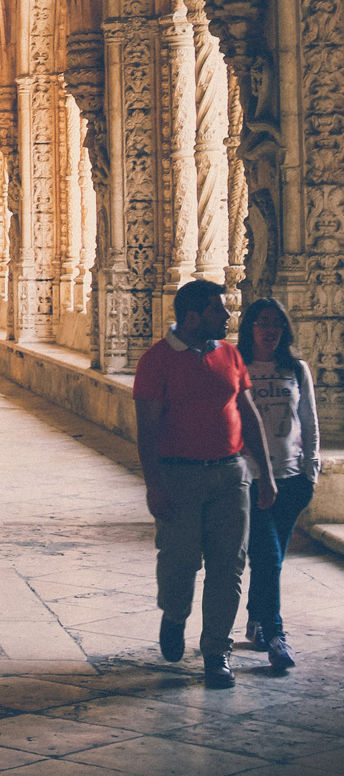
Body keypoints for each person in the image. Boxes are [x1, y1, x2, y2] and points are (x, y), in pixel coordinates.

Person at [133, 279, 277, 689]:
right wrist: (153, 485)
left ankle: (217, 650)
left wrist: (264, 473)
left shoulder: (230, 354)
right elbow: (147, 430)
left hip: (231, 473)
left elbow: (247, 414)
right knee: (179, 562)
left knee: (228, 565)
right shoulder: (156, 360)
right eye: (219, 310)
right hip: (180, 475)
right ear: (193, 316)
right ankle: (175, 614)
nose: (229, 316)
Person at [237, 297, 320, 671]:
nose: (270, 330)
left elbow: (310, 421)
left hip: (292, 478)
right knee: (268, 557)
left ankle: (256, 620)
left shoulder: (296, 369)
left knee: (272, 560)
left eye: (276, 323)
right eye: (262, 322)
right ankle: (274, 634)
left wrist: (311, 471)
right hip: (252, 480)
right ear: (249, 327)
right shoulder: (239, 366)